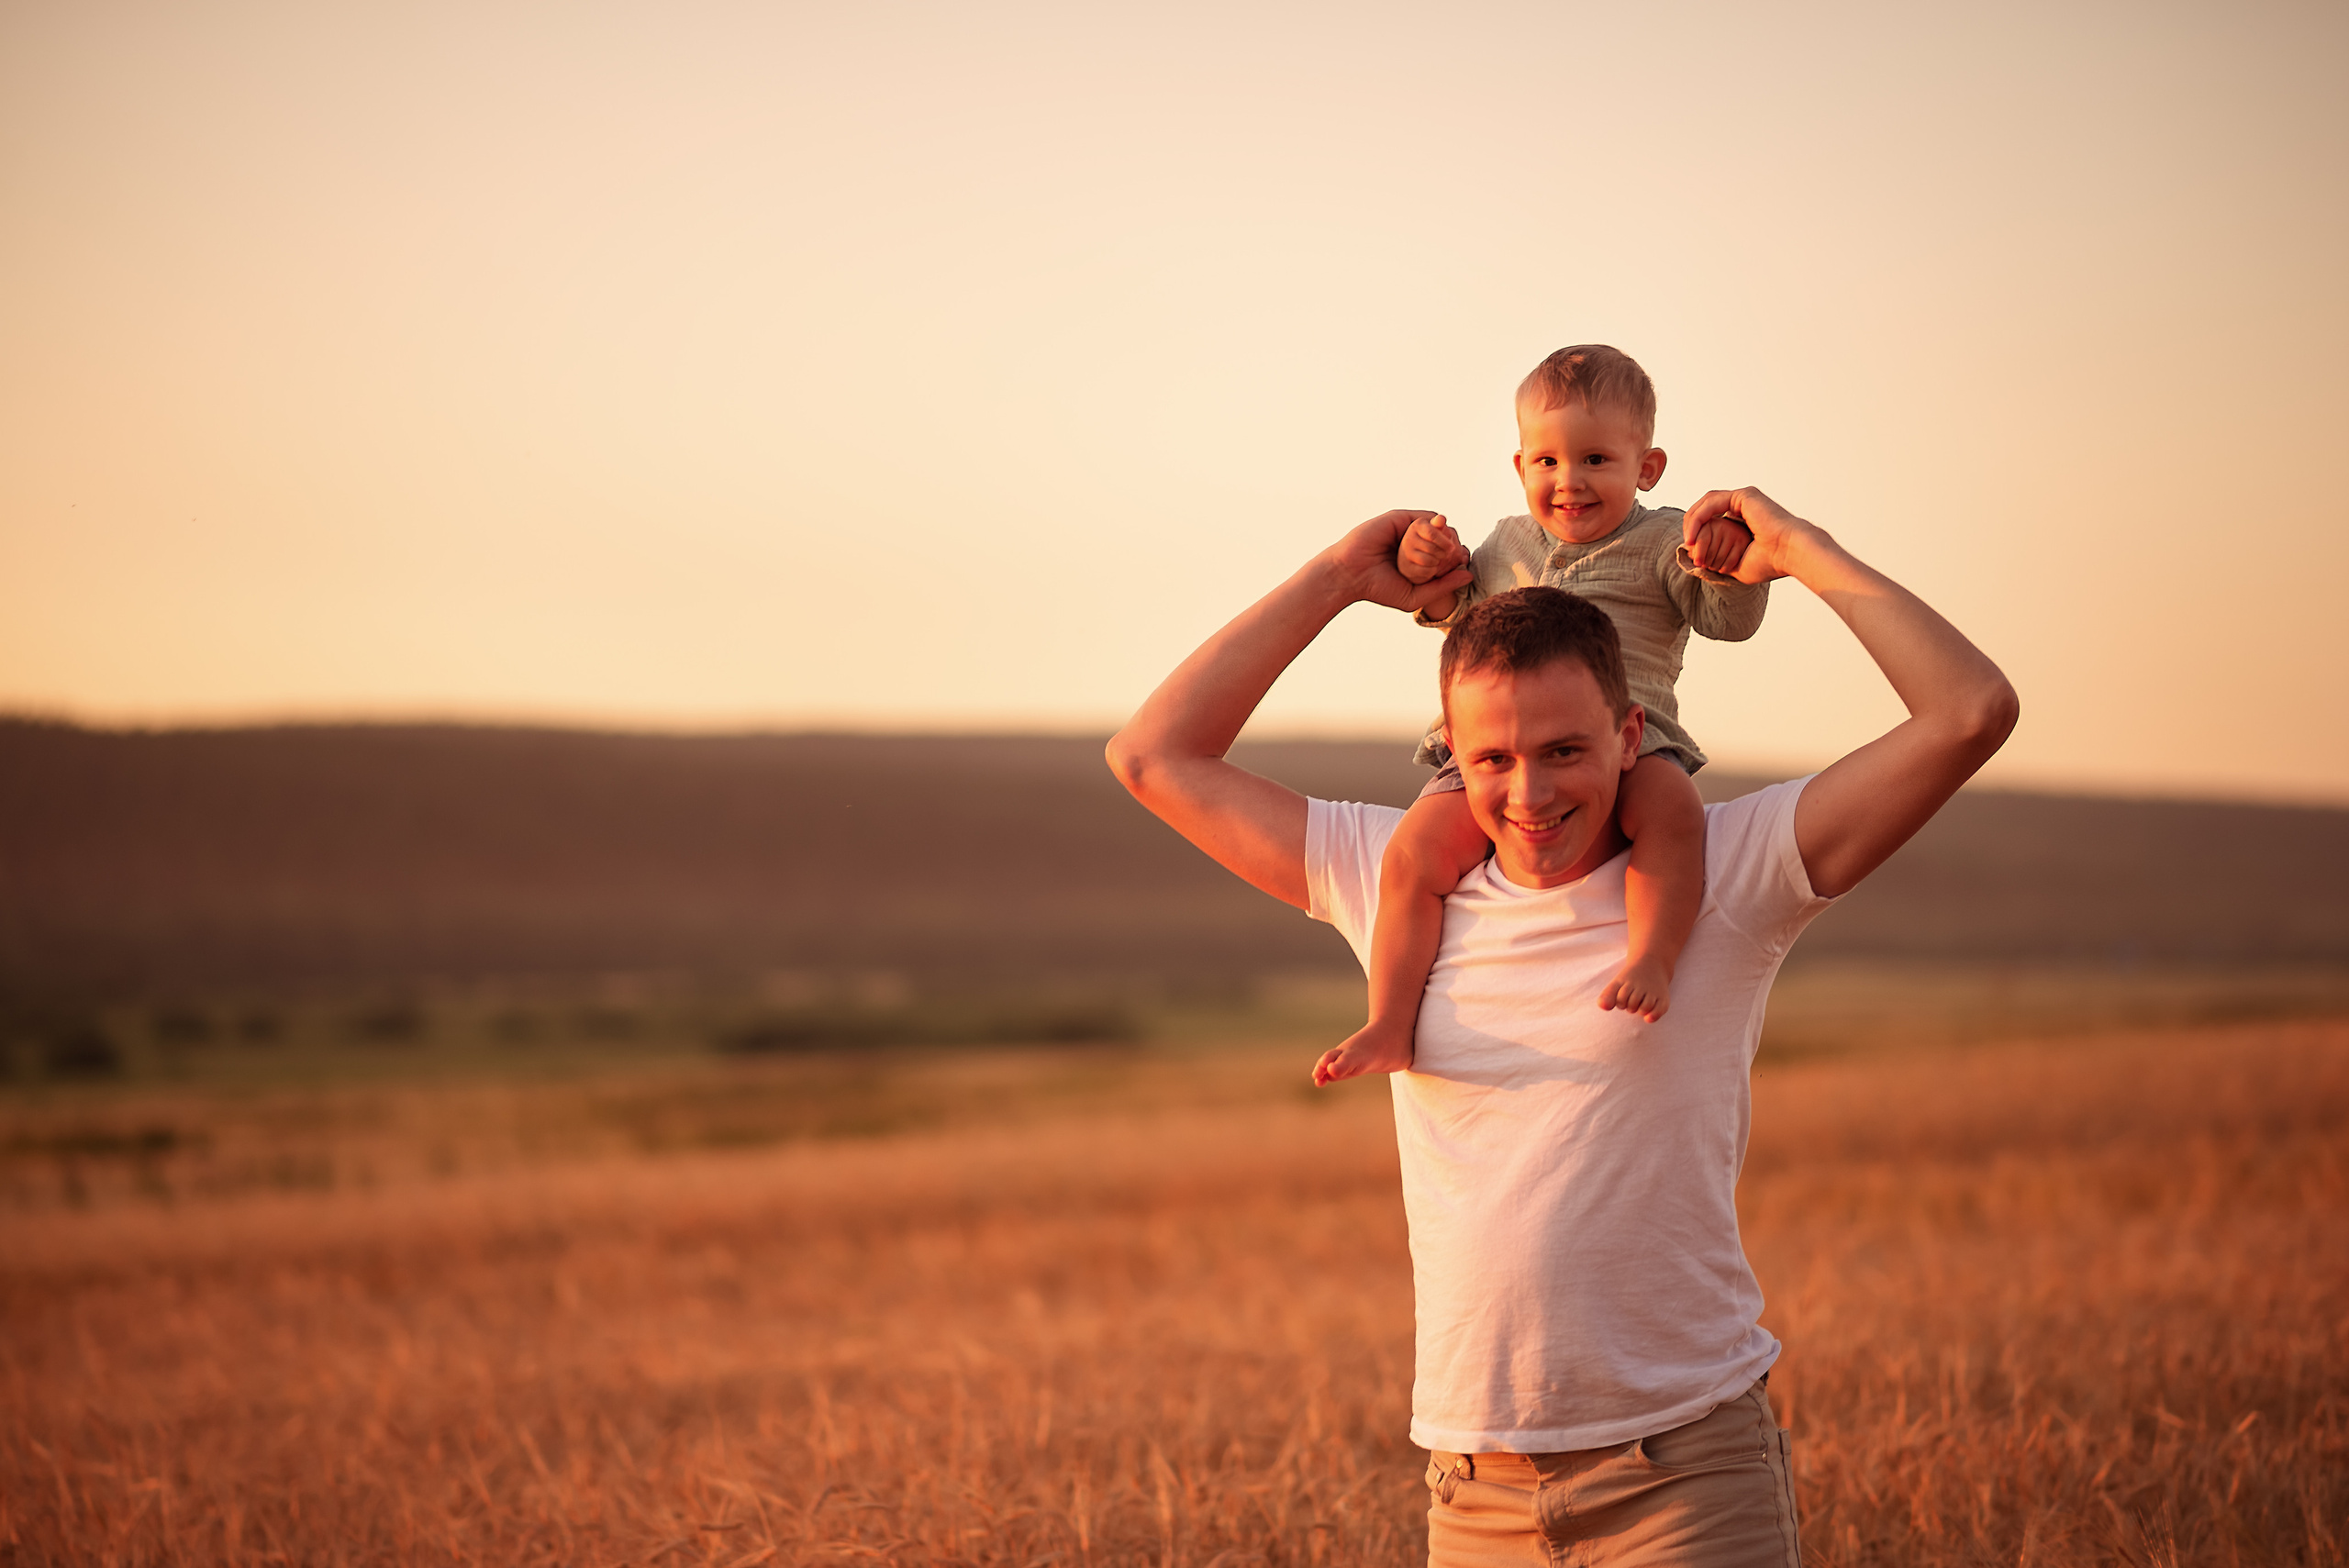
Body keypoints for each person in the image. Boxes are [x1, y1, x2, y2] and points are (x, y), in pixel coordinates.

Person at [1104, 488, 2017, 1566]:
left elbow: (1969, 712)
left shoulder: (1726, 873)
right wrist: (1340, 577)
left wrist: (1804, 553)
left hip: (1684, 1479)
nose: (1529, 791)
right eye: (1490, 759)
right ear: (1450, 750)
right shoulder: (1393, 879)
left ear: (1632, 734)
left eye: (1564, 750)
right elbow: (1152, 756)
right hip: (1472, 1490)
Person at [1319, 345, 1767, 1089]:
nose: (1570, 482)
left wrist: (1726, 562)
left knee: (1672, 813)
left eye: (1596, 459)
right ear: (1521, 465)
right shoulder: (1505, 542)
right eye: (1548, 462)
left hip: (1635, 735)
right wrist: (1426, 563)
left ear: (1647, 467)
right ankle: (1391, 1020)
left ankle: (1653, 955)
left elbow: (1726, 620)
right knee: (1412, 851)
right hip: (1502, 746)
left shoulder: (1664, 542)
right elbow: (1454, 613)